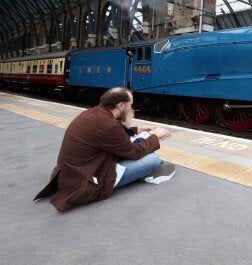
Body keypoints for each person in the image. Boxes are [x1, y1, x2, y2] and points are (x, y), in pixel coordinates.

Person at [34, 87, 174, 211]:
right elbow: (133, 153)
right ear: (120, 105)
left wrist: (136, 129)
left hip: (71, 176)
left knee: (143, 153)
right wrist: (155, 136)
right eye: (130, 105)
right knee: (153, 159)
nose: (132, 108)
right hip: (86, 183)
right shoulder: (109, 124)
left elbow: (109, 135)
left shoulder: (92, 113)